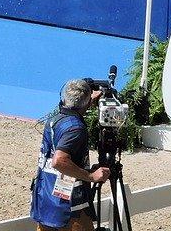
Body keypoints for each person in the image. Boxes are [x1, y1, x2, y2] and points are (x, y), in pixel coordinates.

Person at [31, 79, 111, 231]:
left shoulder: (54, 120)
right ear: (87, 104)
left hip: (46, 201)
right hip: (68, 209)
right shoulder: (75, 129)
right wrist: (90, 176)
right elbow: (59, 161)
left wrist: (87, 100)